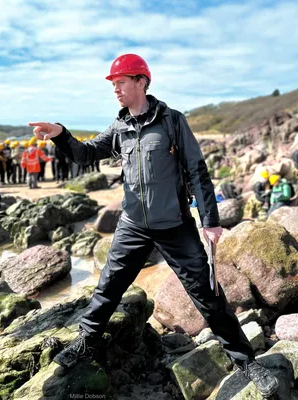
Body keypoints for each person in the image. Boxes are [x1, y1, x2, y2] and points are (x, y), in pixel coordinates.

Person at [29, 54, 279, 397]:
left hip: (175, 225)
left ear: (141, 82)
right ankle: (87, 341)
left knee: (207, 295)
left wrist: (210, 220)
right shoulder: (119, 128)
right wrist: (61, 134)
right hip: (133, 225)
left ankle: (246, 361)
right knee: (108, 285)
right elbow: (85, 154)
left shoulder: (173, 122)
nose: (115, 89)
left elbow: (197, 171)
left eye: (121, 82)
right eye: (113, 84)